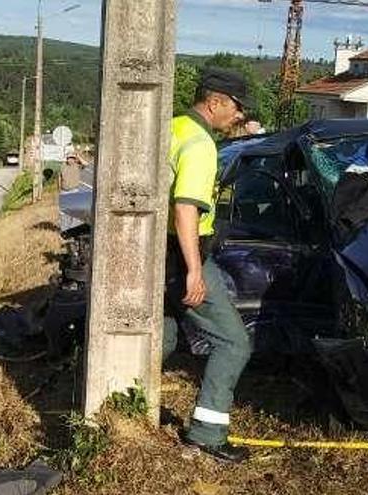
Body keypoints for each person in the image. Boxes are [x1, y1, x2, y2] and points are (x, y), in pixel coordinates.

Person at [164, 67, 253, 463]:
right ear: (215, 101)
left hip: (158, 254)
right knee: (234, 343)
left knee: (163, 338)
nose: (239, 116)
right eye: (236, 107)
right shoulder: (200, 144)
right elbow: (185, 207)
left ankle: (114, 400)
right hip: (185, 254)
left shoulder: (173, 128)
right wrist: (195, 270)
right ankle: (207, 434)